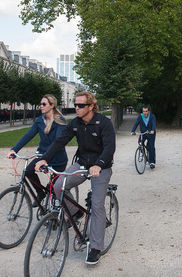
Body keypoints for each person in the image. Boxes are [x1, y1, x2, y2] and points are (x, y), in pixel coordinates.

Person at [35, 91, 116, 266]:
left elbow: (110, 147)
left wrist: (99, 164)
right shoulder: (75, 123)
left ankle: (95, 247)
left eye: (81, 105)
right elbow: (59, 142)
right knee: (57, 186)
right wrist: (44, 159)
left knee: (96, 204)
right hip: (82, 164)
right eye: (75, 104)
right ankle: (76, 212)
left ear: (91, 106)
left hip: (101, 167)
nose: (76, 108)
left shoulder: (104, 123)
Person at [7, 94, 68, 207]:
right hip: (42, 156)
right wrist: (14, 149)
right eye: (40, 104)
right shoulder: (39, 120)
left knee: (53, 189)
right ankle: (40, 193)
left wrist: (46, 157)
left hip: (57, 158)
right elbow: (28, 135)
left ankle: (54, 215)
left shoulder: (60, 121)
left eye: (44, 104)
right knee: (28, 171)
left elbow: (58, 142)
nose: (41, 106)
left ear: (52, 105)